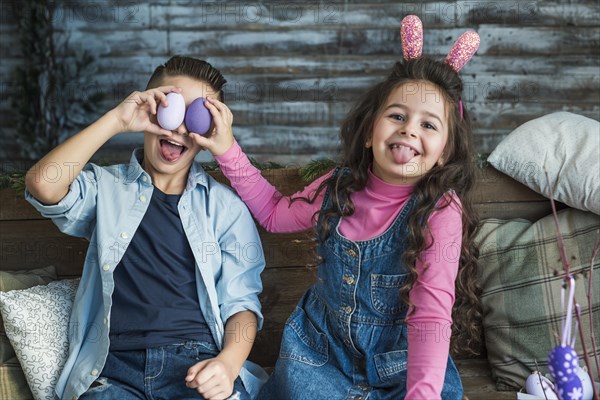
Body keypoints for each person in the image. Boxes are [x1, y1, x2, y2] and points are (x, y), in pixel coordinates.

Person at [193, 16, 483, 399]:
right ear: (368, 132)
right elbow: (273, 214)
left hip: (403, 367)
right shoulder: (337, 187)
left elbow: (430, 315)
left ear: (444, 153)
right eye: (397, 115)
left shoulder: (440, 210)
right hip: (318, 360)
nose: (409, 129)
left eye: (429, 125)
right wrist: (227, 148)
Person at [24, 56, 267, 400]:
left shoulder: (226, 209)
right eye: (171, 108)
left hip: (196, 364)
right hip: (114, 372)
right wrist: (116, 120)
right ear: (149, 106)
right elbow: (42, 184)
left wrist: (227, 365)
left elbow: (242, 305)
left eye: (195, 117)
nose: (180, 128)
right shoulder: (105, 188)